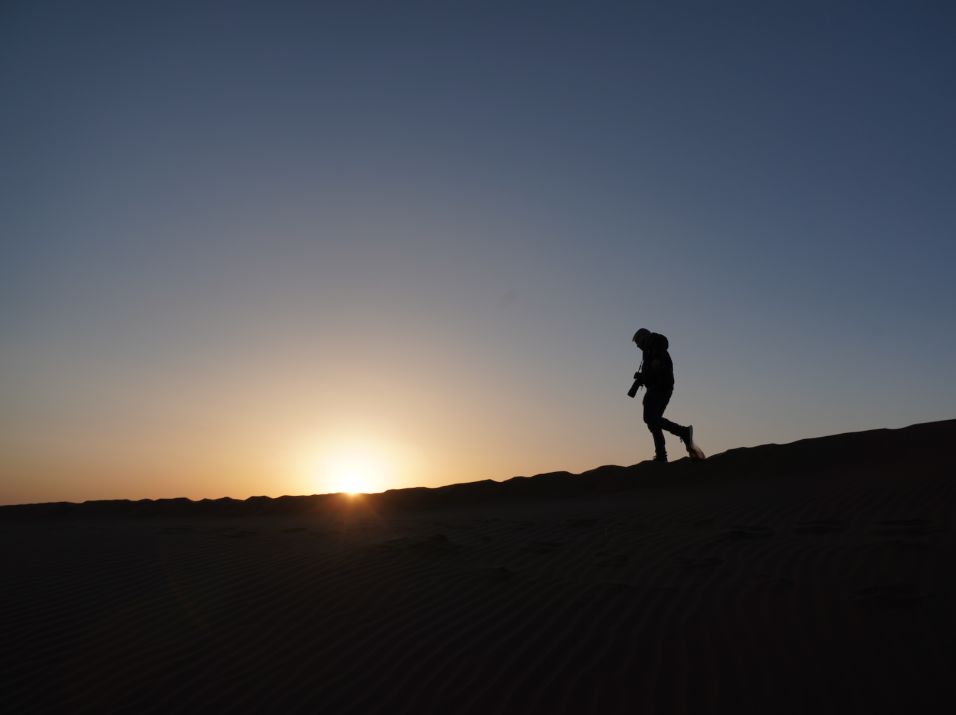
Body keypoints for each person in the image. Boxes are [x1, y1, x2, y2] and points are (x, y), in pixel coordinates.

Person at [629, 328, 703, 462]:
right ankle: (661, 455)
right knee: (653, 421)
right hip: (660, 388)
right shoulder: (650, 350)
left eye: (638, 343)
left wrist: (651, 369)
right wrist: (642, 377)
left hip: (659, 388)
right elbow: (653, 369)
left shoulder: (655, 345)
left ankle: (683, 432)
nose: (638, 346)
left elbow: (658, 365)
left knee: (650, 418)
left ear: (643, 338)